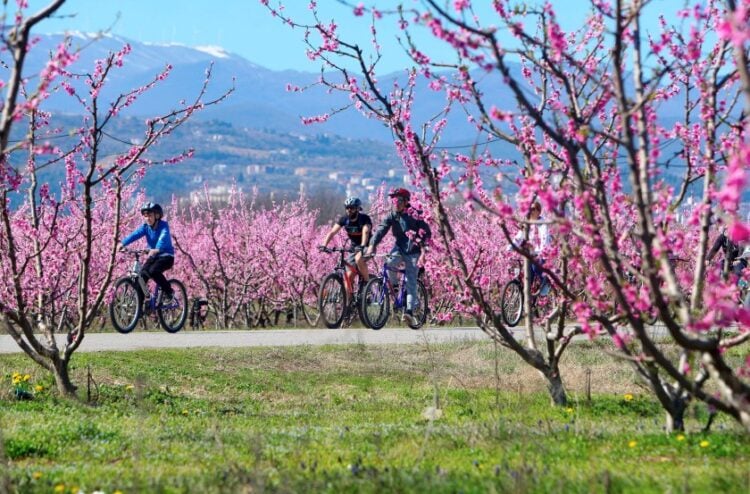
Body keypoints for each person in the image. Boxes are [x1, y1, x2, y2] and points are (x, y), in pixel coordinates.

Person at [365, 188, 431, 325]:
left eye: (399, 200)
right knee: (389, 263)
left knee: (411, 282)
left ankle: (409, 312)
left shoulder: (416, 214)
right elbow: (381, 230)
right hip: (399, 248)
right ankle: (394, 286)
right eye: (394, 200)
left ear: (406, 201)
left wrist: (424, 252)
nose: (396, 203)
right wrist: (372, 245)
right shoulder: (392, 215)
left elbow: (426, 233)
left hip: (414, 251)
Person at [120, 202, 175, 303]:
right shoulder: (145, 227)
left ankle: (169, 292)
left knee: (153, 271)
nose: (147, 218)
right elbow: (134, 235)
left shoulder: (163, 226)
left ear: (157, 215)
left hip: (166, 257)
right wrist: (122, 243)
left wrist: (156, 249)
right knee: (141, 277)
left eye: (150, 215)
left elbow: (163, 237)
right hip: (153, 256)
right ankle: (140, 306)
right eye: (145, 216)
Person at [319, 196, 373, 285]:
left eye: (351, 208)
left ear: (357, 209)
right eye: (347, 208)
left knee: (359, 258)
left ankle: (367, 283)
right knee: (348, 278)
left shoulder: (364, 218)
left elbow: (366, 231)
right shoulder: (344, 219)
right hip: (354, 248)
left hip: (368, 246)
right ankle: (348, 299)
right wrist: (324, 245)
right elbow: (332, 232)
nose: (349, 210)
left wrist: (362, 246)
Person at [509, 201, 551, 295]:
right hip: (530, 253)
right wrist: (511, 246)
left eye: (533, 209)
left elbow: (545, 237)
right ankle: (527, 299)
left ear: (539, 212)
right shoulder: (527, 224)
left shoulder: (543, 224)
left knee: (536, 268)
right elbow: (519, 236)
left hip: (541, 253)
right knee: (528, 276)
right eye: (529, 209)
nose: (530, 211)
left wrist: (541, 250)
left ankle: (546, 282)